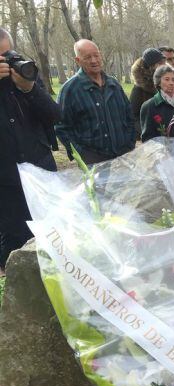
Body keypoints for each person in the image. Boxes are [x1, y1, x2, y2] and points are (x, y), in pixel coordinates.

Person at [0, 27, 60, 273]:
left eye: (8, 55)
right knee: (16, 245)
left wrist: (29, 87)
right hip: (6, 184)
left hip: (42, 174)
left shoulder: (26, 76)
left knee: (54, 240)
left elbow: (55, 115)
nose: (5, 63)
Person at [56, 39, 135, 164]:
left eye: (96, 55)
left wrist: (130, 143)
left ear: (101, 55)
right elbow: (61, 127)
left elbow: (129, 116)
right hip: (93, 161)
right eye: (87, 57)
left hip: (123, 156)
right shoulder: (70, 90)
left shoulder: (113, 85)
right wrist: (81, 154)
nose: (93, 60)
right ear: (78, 60)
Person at [130, 48, 167, 135]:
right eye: (160, 63)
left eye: (164, 63)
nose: (164, 66)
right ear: (151, 67)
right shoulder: (138, 90)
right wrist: (146, 131)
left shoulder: (165, 83)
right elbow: (133, 117)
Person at [139, 64, 174, 142]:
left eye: (173, 80)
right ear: (159, 82)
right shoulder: (149, 106)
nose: (171, 83)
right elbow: (147, 138)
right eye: (167, 79)